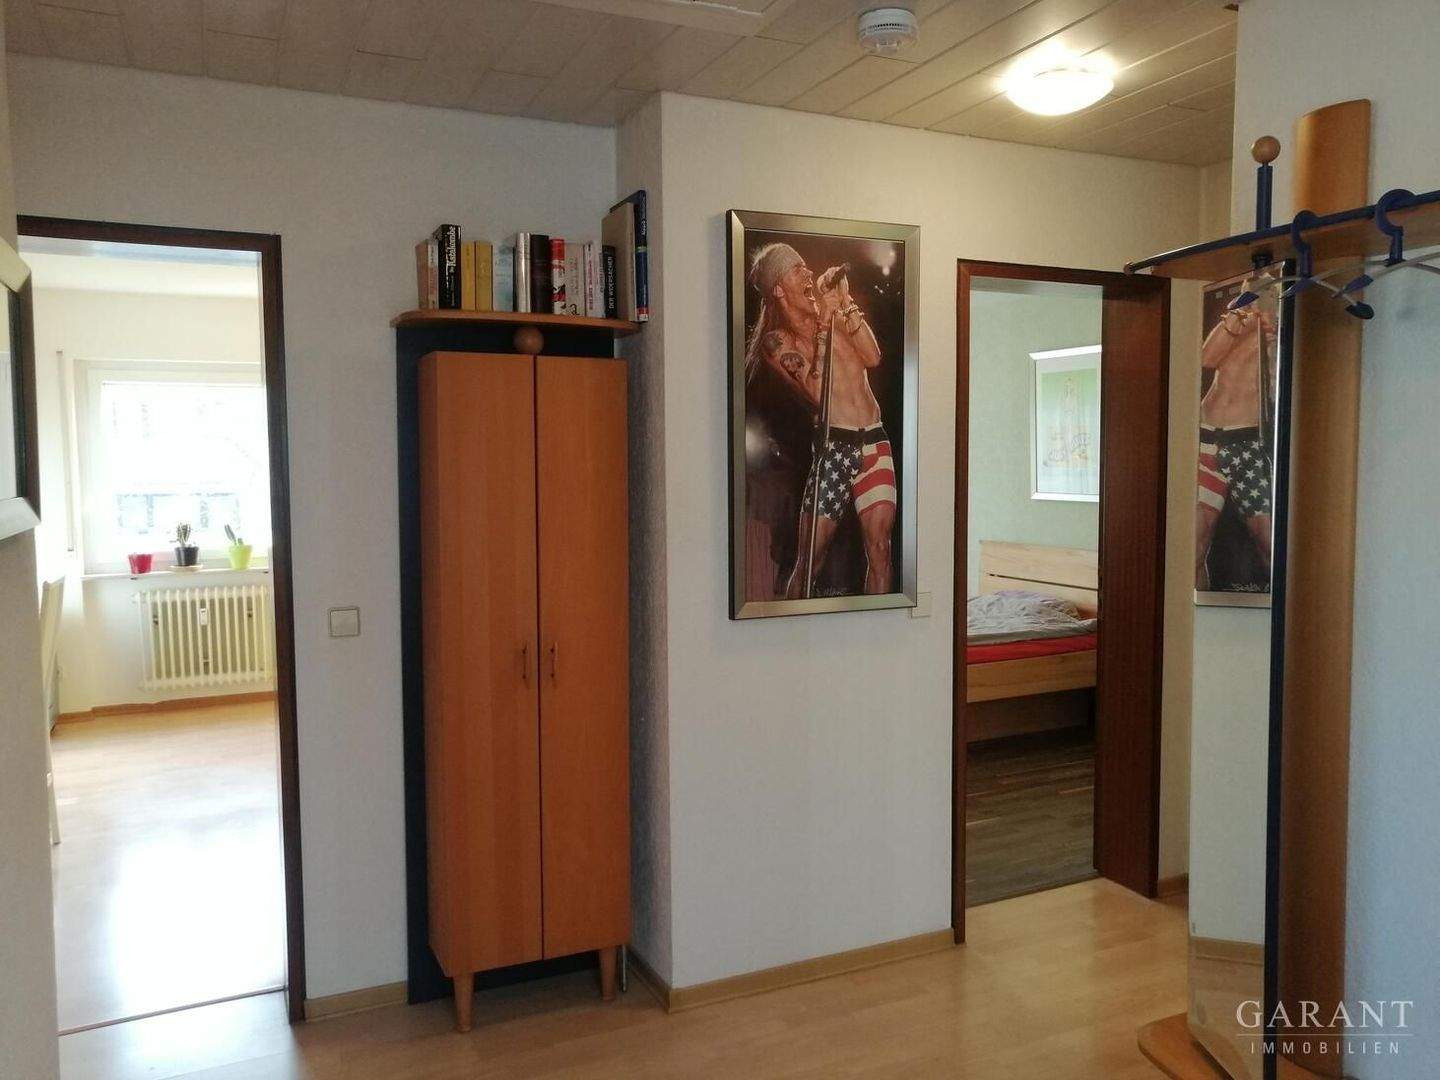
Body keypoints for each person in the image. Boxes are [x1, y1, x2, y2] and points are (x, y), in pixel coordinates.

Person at [745, 242, 896, 597]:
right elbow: (817, 392)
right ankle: (793, 624)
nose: (808, 273)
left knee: (880, 549)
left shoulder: (834, 314)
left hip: (874, 440)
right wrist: (827, 323)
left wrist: (844, 302)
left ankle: (875, 628)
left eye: (805, 266)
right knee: (811, 559)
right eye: (797, 269)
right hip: (836, 448)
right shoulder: (778, 341)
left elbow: (873, 357)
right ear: (778, 289)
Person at [1196, 295, 1276, 589]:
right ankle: (1196, 616)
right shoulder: (1242, 317)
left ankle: (1277, 610)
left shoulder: (1292, 326)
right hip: (1207, 436)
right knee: (1195, 543)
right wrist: (1239, 313)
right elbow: (1206, 358)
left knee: (1269, 540)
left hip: (1249, 442)